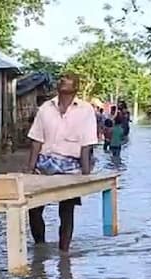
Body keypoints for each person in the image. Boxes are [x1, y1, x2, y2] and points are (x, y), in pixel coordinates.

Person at [24, 72, 98, 252]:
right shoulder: (45, 108)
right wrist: (29, 170)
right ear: (57, 88)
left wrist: (85, 176)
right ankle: (40, 247)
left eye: (68, 82)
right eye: (61, 82)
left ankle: (64, 252)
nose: (63, 84)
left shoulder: (86, 110)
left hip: (71, 167)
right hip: (44, 164)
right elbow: (36, 141)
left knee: (66, 211)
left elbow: (87, 145)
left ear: (76, 88)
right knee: (33, 209)